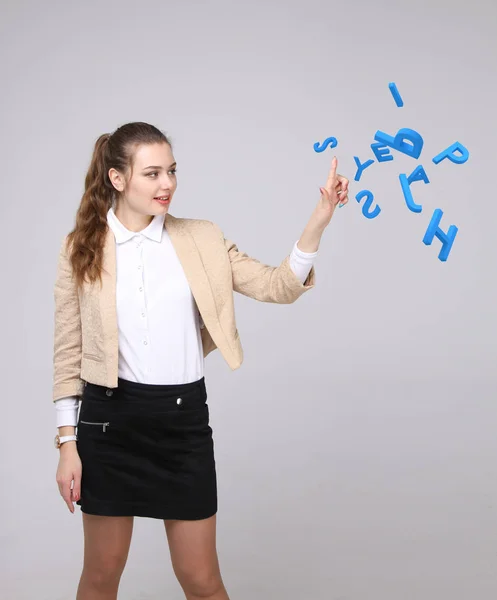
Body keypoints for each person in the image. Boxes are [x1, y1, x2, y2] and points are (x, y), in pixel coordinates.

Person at [53, 121, 349, 600]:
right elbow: (67, 353)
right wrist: (68, 442)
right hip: (109, 426)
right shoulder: (81, 249)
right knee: (101, 578)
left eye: (171, 171)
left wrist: (320, 217)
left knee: (202, 581)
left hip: (182, 424)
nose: (167, 183)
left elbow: (278, 285)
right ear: (117, 178)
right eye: (151, 174)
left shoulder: (203, 239)